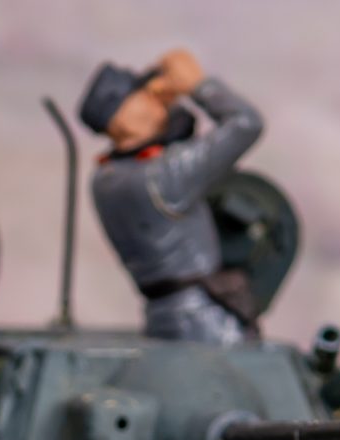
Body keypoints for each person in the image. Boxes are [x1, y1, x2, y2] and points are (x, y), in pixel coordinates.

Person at [78, 47, 265, 346]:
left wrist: (166, 102)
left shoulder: (104, 179)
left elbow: (176, 131)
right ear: (124, 118)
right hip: (209, 326)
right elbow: (246, 123)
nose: (157, 100)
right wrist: (199, 86)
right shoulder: (164, 177)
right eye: (143, 95)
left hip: (162, 320)